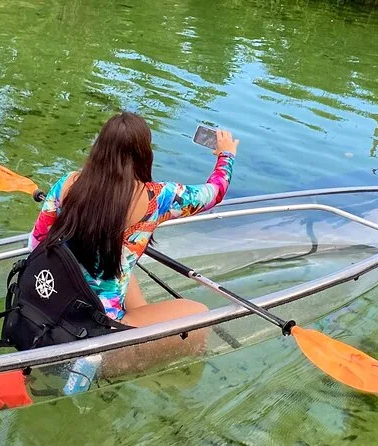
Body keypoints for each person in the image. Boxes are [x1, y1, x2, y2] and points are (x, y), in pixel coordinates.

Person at [28, 112, 238, 371]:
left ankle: (136, 345)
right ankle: (147, 365)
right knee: (200, 314)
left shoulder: (67, 183)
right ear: (144, 153)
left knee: (125, 272)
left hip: (54, 302)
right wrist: (226, 155)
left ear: (100, 147)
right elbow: (215, 192)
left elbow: (36, 243)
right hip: (100, 323)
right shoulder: (158, 198)